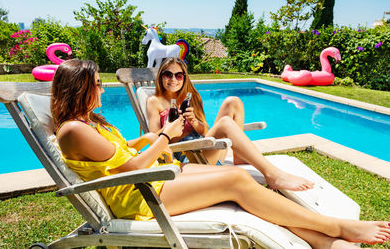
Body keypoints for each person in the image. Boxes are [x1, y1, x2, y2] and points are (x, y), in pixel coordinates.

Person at [53, 59, 390, 248]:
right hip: (141, 194)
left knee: (243, 178)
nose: (100, 88)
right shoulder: (73, 129)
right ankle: (336, 228)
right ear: (80, 88)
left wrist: (152, 137)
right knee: (234, 180)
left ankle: (323, 241)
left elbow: (123, 150)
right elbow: (128, 168)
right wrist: (165, 137)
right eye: (95, 83)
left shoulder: (89, 122)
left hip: (153, 178)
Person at [147, 57, 313, 191]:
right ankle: (273, 175)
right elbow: (154, 140)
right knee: (226, 123)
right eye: (167, 74)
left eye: (179, 75)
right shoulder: (154, 102)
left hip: (204, 148)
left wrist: (194, 122)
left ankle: (239, 158)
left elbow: (206, 131)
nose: (173, 79)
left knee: (233, 102)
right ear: (161, 77)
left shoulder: (192, 97)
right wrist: (170, 128)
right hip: (187, 158)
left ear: (184, 78)